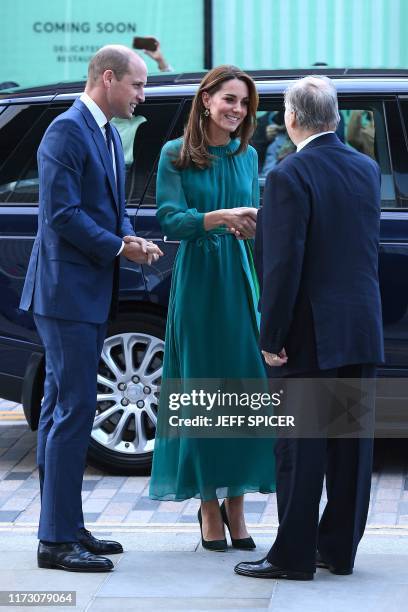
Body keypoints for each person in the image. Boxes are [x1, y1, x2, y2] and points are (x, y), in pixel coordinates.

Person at [19, 45, 163, 572]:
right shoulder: (66, 129)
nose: (143, 96)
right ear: (108, 78)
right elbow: (60, 214)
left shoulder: (104, 132)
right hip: (64, 295)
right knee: (74, 410)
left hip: (86, 292)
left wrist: (130, 236)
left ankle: (64, 527)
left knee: (64, 409)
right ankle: (56, 541)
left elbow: (109, 208)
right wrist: (117, 246)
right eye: (138, 85)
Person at [235, 76, 384, 579]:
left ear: (291, 119)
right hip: (360, 326)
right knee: (349, 447)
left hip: (309, 333)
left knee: (299, 449)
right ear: (336, 118)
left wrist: (270, 336)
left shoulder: (288, 175)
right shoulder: (366, 168)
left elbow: (284, 266)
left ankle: (293, 556)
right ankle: (338, 551)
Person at [149, 65, 276, 551]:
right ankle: (208, 507)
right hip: (201, 281)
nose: (236, 110)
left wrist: (251, 228)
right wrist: (217, 218)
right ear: (206, 99)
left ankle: (237, 504)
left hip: (241, 280)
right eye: (229, 99)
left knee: (243, 395)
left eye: (243, 103)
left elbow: (257, 218)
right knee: (203, 392)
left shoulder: (248, 155)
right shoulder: (176, 155)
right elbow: (170, 219)